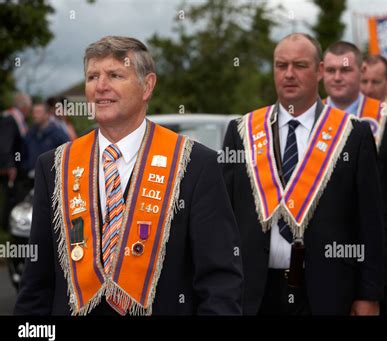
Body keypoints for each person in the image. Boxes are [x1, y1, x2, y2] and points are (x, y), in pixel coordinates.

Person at [14, 36, 243, 316]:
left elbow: (219, 283)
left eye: (115, 75)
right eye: (92, 76)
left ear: (147, 86)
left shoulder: (196, 165)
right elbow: (36, 284)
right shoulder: (54, 166)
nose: (100, 87)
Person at [223, 33, 384, 315]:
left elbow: (369, 219)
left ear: (320, 70)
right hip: (254, 292)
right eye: (280, 65)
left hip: (327, 290)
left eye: (300, 65)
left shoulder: (353, 134)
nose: (288, 74)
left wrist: (368, 294)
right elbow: (223, 216)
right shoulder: (242, 132)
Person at [322, 43, 387, 315]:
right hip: (323, 255)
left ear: (361, 71)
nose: (337, 77)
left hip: (380, 253)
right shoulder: (313, 117)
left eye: (345, 70)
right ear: (321, 73)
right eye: (331, 70)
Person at [0, 92, 31, 229]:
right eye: (29, 109)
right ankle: (7, 226)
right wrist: (10, 165)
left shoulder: (14, 119)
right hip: (11, 169)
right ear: (24, 107)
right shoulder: (10, 120)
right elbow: (5, 144)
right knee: (10, 197)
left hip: (16, 167)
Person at [22, 102, 70, 176]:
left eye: (38, 112)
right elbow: (22, 152)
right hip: (30, 179)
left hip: (51, 178)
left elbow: (67, 153)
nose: (34, 115)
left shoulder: (58, 134)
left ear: (47, 115)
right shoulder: (30, 133)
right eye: (33, 112)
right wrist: (25, 167)